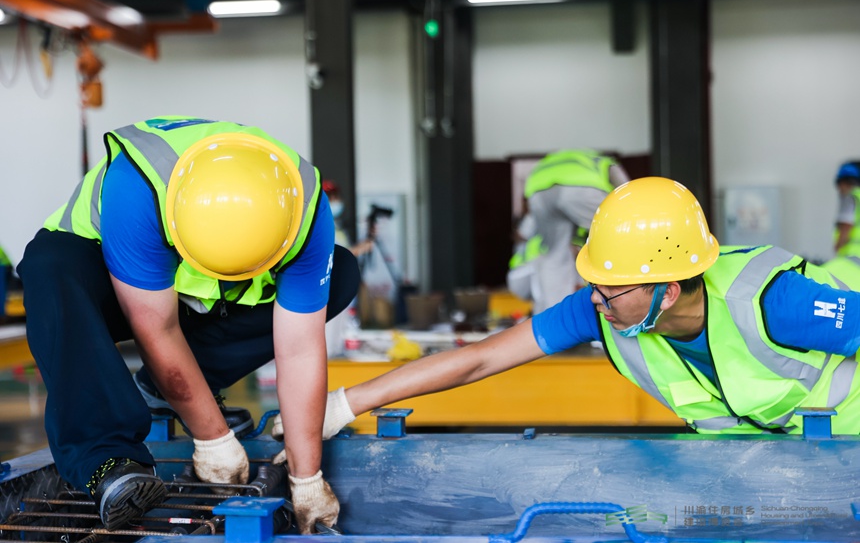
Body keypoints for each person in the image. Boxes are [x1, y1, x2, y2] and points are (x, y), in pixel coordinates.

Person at [16, 116, 359, 533]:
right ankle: (108, 459)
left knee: (340, 272)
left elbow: (300, 349)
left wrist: (307, 479)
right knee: (50, 268)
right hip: (110, 285)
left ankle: (163, 390)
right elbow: (155, 329)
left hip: (196, 298)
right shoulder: (136, 189)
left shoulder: (302, 208)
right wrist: (213, 437)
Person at [320, 176, 860, 441]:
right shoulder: (611, 305)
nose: (594, 302)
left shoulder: (773, 301)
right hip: (758, 466)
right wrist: (347, 403)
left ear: (666, 290)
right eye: (593, 284)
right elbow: (481, 359)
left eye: (610, 290)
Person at [525, 149, 629, 313]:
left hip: (538, 191)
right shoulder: (607, 163)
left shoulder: (566, 159)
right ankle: (623, 304)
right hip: (580, 188)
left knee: (555, 255)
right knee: (619, 235)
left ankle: (556, 317)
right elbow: (627, 195)